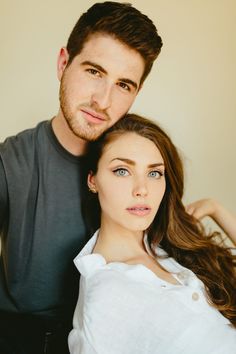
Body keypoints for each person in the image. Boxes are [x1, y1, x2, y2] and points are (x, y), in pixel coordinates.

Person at [0, 2, 163, 353]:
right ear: (63, 64)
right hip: (24, 338)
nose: (103, 100)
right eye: (94, 71)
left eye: (123, 84)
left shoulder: (142, 166)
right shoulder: (11, 161)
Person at [68, 114, 236, 354]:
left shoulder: (169, 247)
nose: (142, 190)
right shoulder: (105, 294)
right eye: (122, 171)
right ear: (93, 180)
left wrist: (216, 209)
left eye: (154, 173)